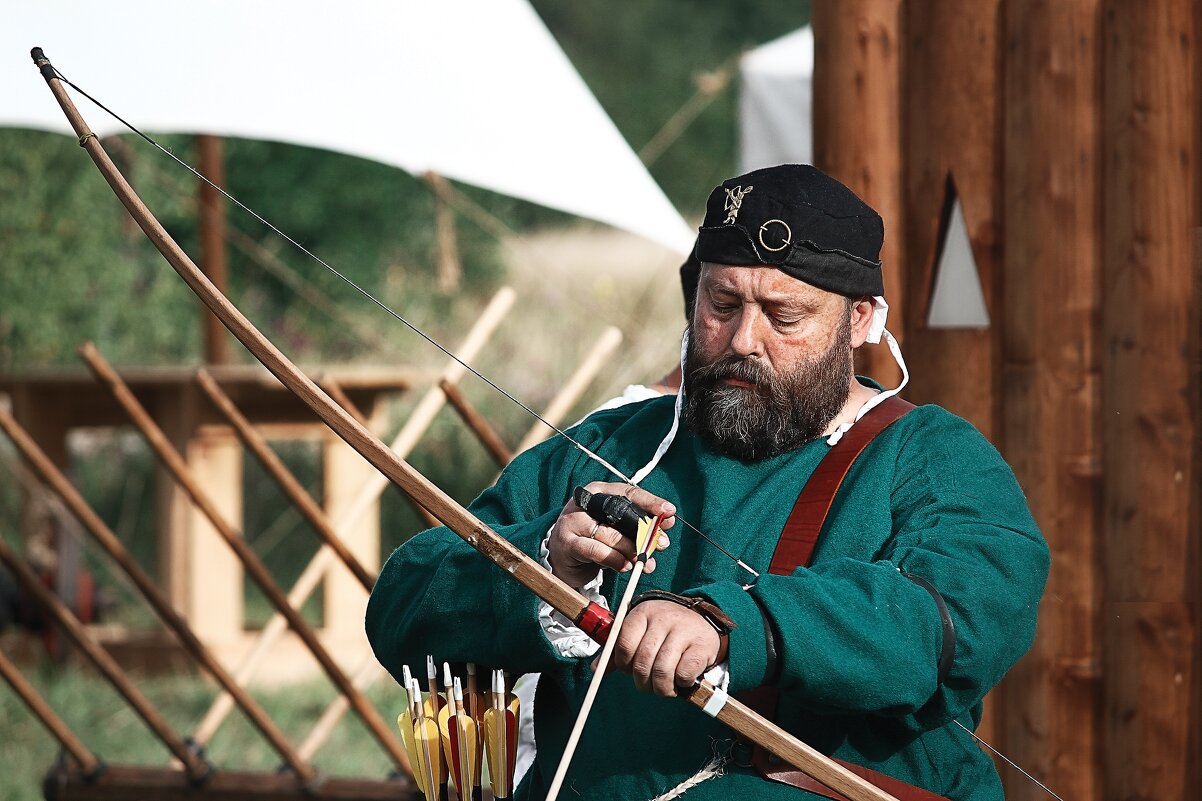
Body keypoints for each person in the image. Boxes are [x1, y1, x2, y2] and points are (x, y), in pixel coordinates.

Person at [367, 164, 1049, 801]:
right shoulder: (609, 447)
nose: (743, 338)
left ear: (861, 319)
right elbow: (404, 608)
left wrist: (734, 626)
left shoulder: (932, 456)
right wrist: (547, 562)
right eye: (721, 302)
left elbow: (957, 621)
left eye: (785, 316)